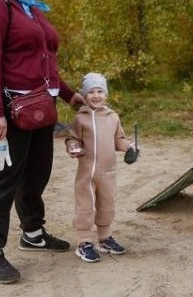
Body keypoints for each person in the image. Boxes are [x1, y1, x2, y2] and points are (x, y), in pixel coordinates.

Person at [0, 0, 84, 284]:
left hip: (38, 110)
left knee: (36, 176)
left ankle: (32, 233)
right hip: (8, 111)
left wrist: (69, 95)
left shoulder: (32, 10)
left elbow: (44, 63)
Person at [64, 72, 138, 263]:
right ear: (84, 95)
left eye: (100, 91)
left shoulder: (113, 117)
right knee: (85, 207)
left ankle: (104, 239)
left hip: (108, 172)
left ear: (106, 94)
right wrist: (73, 147)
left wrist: (129, 147)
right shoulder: (80, 119)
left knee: (107, 204)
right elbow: (72, 138)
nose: (96, 96)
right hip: (86, 174)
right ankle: (84, 242)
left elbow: (119, 140)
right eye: (91, 92)